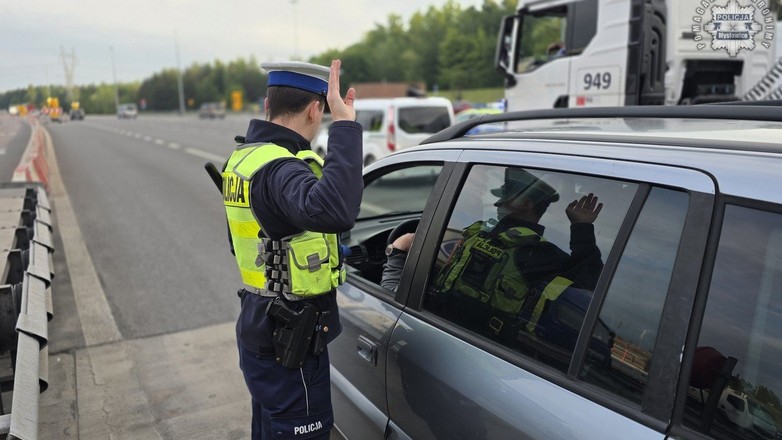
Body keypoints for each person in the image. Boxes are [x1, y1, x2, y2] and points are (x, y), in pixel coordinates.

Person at [221, 59, 361, 440]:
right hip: (290, 342)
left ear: (268, 106)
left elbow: (257, 243)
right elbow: (335, 211)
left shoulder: (245, 160)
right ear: (317, 110)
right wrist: (346, 126)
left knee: (269, 430)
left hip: (259, 325)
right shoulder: (281, 168)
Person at [382, 168, 603, 340]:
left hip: (469, 344)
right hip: (438, 328)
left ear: (526, 204)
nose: (498, 202)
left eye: (506, 196)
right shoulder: (479, 232)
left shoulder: (538, 253)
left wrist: (581, 227)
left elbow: (589, 282)